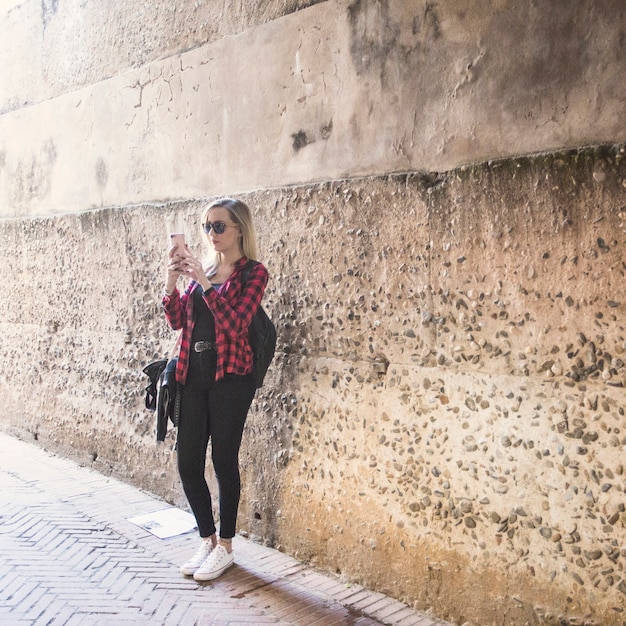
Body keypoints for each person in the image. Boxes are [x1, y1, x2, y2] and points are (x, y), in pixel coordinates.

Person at [162, 197, 268, 581]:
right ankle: (206, 539)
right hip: (192, 376)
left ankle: (225, 546)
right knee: (188, 461)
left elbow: (237, 323)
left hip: (231, 379)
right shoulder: (201, 271)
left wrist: (205, 284)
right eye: (207, 226)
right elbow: (177, 322)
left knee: (224, 461)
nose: (211, 233)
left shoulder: (253, 274)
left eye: (219, 226)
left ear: (239, 228)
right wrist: (174, 281)